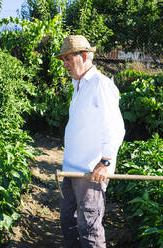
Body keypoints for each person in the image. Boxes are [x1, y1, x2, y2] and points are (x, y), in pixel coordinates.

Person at [56, 35, 125, 248]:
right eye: (63, 60)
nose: (65, 64)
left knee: (89, 229)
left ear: (84, 56)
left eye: (68, 58)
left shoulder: (100, 84)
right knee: (69, 223)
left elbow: (115, 127)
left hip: (90, 173)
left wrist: (105, 162)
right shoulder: (78, 87)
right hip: (72, 171)